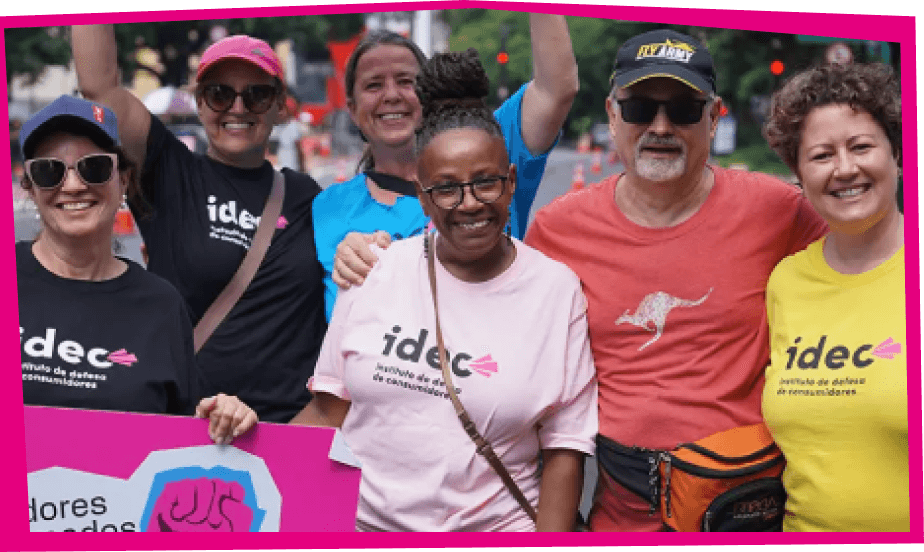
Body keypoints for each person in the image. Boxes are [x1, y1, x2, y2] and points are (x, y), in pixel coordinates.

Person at [522, 29, 829, 531]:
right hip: (620, 512)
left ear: (714, 117)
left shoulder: (778, 211)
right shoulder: (559, 228)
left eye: (684, 109)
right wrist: (389, 257)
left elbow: (864, 264)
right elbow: (495, 314)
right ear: (612, 113)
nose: (660, 126)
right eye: (641, 107)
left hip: (747, 510)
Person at [290, 50, 597, 532]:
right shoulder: (374, 271)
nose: (469, 204)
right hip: (360, 526)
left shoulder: (556, 291)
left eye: (486, 183)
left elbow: (565, 448)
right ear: (425, 197)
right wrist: (238, 461)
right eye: (448, 189)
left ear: (511, 182)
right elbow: (327, 410)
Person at [71, 26, 327, 423]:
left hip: (286, 434)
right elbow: (99, 86)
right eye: (220, 93)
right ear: (200, 103)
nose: (237, 108)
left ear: (280, 107)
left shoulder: (307, 196)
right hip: (188, 425)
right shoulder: (168, 171)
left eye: (257, 95)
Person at [17, 94, 256, 444]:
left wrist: (225, 418)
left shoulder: (161, 305)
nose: (72, 185)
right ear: (32, 190)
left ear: (123, 181)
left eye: (94, 167)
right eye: (48, 171)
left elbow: (183, 443)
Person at [314, 14, 579, 320]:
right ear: (352, 107)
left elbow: (556, 88)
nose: (391, 95)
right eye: (374, 85)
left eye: (405, 81)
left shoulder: (491, 142)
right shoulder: (327, 207)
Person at [761, 63, 908, 532]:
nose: (845, 169)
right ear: (798, 174)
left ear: (897, 154)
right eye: (822, 155)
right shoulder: (787, 281)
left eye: (862, 146)